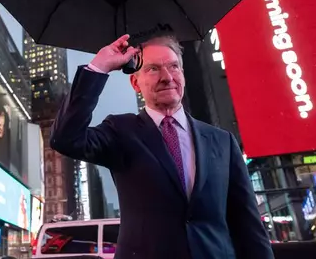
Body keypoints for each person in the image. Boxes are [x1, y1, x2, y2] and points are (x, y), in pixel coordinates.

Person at [50, 34, 274, 259]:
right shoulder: (120, 131)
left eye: (174, 66)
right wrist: (99, 67)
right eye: (153, 69)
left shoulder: (222, 141)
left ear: (183, 75)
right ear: (135, 83)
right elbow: (65, 138)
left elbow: (248, 225)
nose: (167, 77)